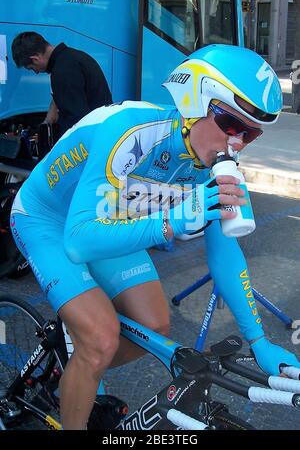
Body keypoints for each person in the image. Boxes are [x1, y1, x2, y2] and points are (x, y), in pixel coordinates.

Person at [10, 44, 300, 430]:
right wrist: (171, 223)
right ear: (196, 102)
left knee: (155, 326)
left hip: (110, 220)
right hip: (48, 218)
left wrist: (259, 341)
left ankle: (73, 369)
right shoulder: (132, 130)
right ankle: (84, 368)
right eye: (232, 125)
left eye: (252, 134)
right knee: (100, 338)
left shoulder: (214, 164)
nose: (239, 143)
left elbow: (225, 254)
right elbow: (78, 240)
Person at [11, 31, 112, 137]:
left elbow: (77, 121)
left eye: (32, 68)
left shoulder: (61, 72)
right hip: (103, 131)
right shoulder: (74, 56)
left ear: (35, 59)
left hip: (93, 139)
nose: (36, 72)